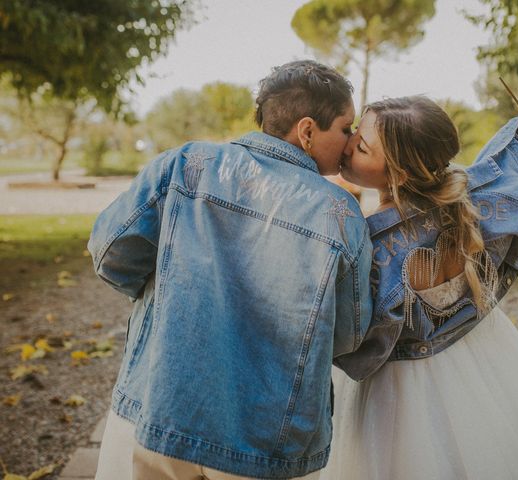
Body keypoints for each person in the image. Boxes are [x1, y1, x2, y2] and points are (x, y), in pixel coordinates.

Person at [90, 60, 373, 480]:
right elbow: (349, 334)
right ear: (308, 131)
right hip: (269, 439)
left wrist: (166, 290)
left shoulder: (185, 163)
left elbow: (110, 253)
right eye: (346, 128)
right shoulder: (341, 214)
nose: (351, 141)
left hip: (164, 404)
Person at [322, 96, 518, 479]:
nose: (346, 147)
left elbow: (346, 337)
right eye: (354, 133)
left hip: (395, 391)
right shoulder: (477, 204)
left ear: (398, 175)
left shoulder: (365, 241)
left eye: (361, 146)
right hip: (484, 356)